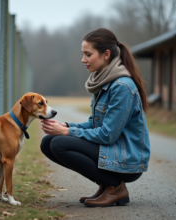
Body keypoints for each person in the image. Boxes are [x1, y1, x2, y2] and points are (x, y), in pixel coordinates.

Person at [40, 28, 150, 207]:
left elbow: (108, 135)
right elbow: (94, 123)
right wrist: (66, 125)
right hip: (112, 151)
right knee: (48, 143)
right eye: (83, 54)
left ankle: (115, 187)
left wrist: (67, 131)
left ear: (106, 54)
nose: (83, 59)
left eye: (88, 54)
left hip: (127, 158)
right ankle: (106, 184)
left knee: (59, 144)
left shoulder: (122, 86)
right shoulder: (103, 81)